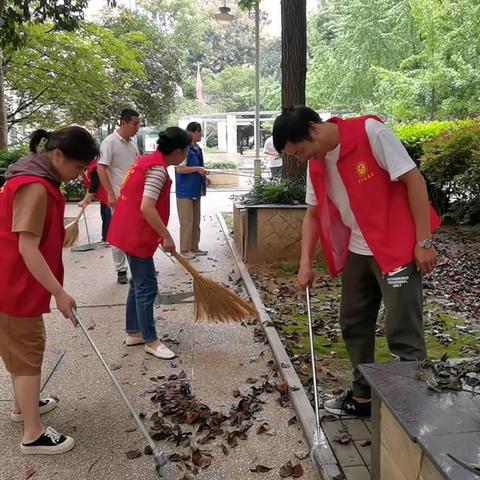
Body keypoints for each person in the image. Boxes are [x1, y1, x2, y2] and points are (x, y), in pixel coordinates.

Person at [272, 107, 441, 418]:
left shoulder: (370, 132)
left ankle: (413, 408)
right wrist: (305, 262)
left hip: (397, 247)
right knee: (353, 321)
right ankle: (362, 397)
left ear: (313, 129)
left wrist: (423, 241)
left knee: (403, 328)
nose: (302, 158)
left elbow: (414, 181)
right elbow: (312, 214)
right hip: (359, 250)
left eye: (300, 151)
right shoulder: (317, 163)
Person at [0, 126, 99, 454]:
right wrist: (59, 292)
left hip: (13, 282)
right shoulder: (35, 187)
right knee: (28, 354)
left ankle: (23, 406)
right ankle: (33, 434)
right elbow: (27, 247)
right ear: (57, 156)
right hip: (15, 285)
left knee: (19, 350)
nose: (79, 175)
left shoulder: (32, 178)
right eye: (78, 167)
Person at [108, 127, 191, 360]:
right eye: (186, 149)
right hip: (136, 234)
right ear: (178, 151)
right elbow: (147, 206)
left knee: (138, 284)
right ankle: (151, 340)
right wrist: (166, 235)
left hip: (126, 230)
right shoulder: (157, 170)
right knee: (147, 287)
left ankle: (134, 332)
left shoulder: (145, 161)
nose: (186, 154)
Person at [97, 108, 140, 284]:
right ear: (124, 122)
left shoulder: (132, 143)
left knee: (136, 232)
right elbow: (101, 168)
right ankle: (120, 269)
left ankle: (138, 266)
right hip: (118, 197)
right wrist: (110, 194)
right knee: (118, 233)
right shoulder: (109, 142)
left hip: (135, 196)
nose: (137, 127)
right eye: (135, 123)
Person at [175, 121, 209, 259]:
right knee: (186, 221)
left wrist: (204, 177)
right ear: (193, 132)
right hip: (185, 191)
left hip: (196, 190)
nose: (201, 134)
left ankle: (194, 246)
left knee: (195, 220)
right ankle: (184, 249)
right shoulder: (183, 148)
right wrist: (197, 169)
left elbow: (199, 167)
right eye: (199, 131)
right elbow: (179, 169)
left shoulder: (197, 148)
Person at [79, 160, 111, 243]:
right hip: (104, 197)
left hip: (108, 196)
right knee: (104, 216)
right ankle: (105, 239)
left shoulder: (94, 167)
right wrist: (87, 198)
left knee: (108, 218)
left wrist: (84, 200)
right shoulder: (89, 168)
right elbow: (91, 187)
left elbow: (94, 185)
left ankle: (109, 239)